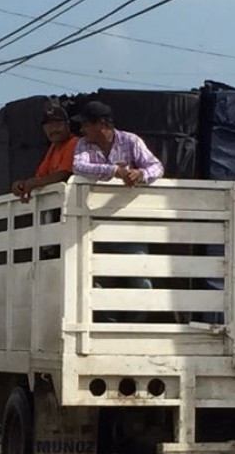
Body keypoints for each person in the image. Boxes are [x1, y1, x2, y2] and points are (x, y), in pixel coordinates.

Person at [71, 100, 164, 322]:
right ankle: (107, 326)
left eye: (86, 124)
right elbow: (78, 166)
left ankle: (136, 325)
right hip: (95, 223)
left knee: (139, 276)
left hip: (128, 223)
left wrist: (140, 175)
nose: (82, 130)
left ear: (102, 124)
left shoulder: (130, 141)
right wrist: (114, 170)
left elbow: (156, 166)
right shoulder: (84, 144)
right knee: (101, 279)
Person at [11, 103, 79, 203]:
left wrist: (35, 183)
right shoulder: (53, 147)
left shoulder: (75, 142)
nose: (53, 129)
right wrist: (22, 185)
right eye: (48, 126)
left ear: (68, 124)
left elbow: (64, 174)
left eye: (58, 124)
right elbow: (40, 176)